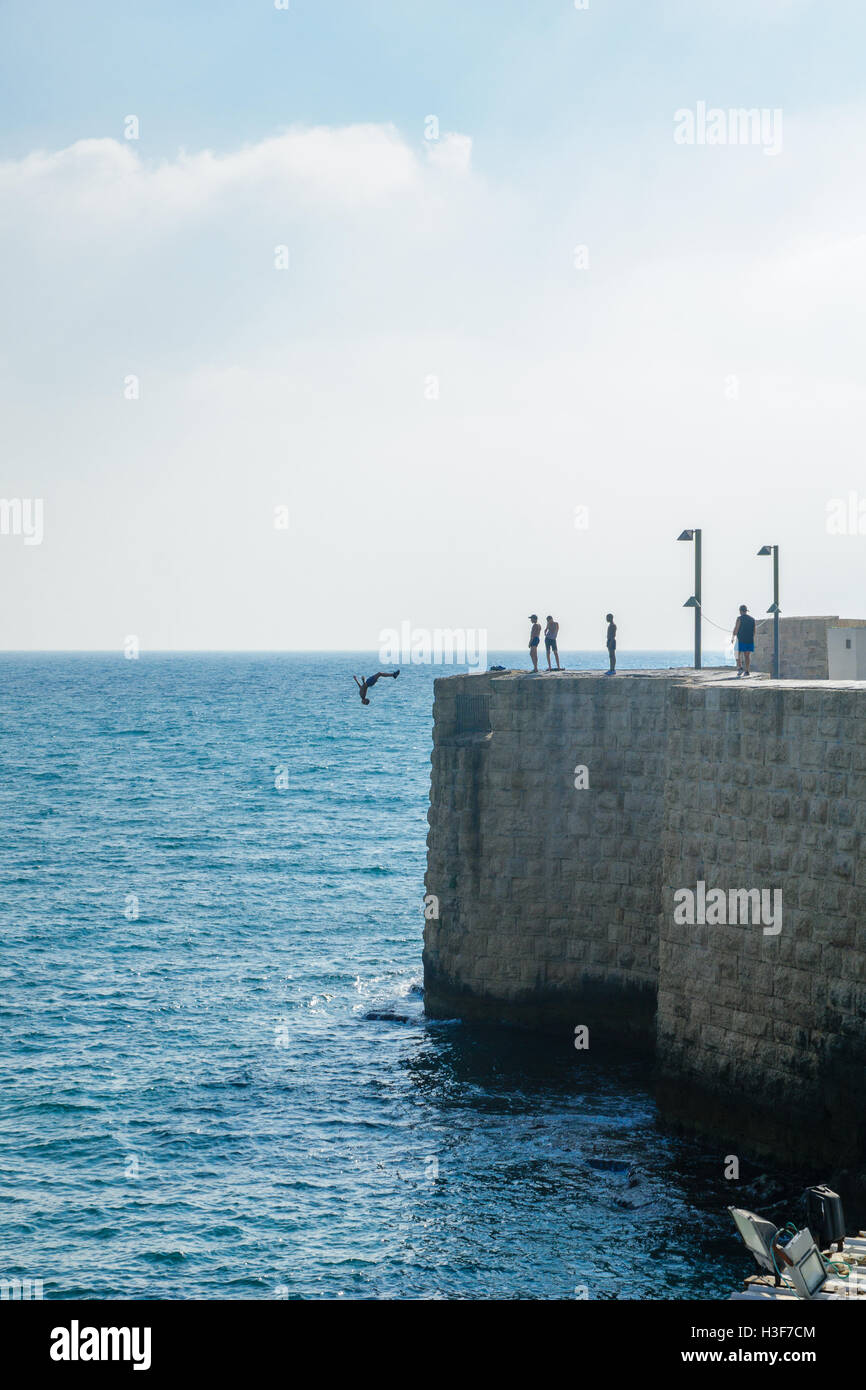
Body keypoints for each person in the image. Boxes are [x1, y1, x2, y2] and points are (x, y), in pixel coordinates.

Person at [733, 606, 756, 677]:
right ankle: (747, 671)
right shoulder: (752, 619)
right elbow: (754, 631)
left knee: (737, 653)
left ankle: (740, 668)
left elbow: (736, 628)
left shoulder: (739, 619)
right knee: (747, 656)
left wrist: (733, 636)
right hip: (749, 639)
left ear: (740, 611)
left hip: (741, 639)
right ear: (746, 611)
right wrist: (751, 638)